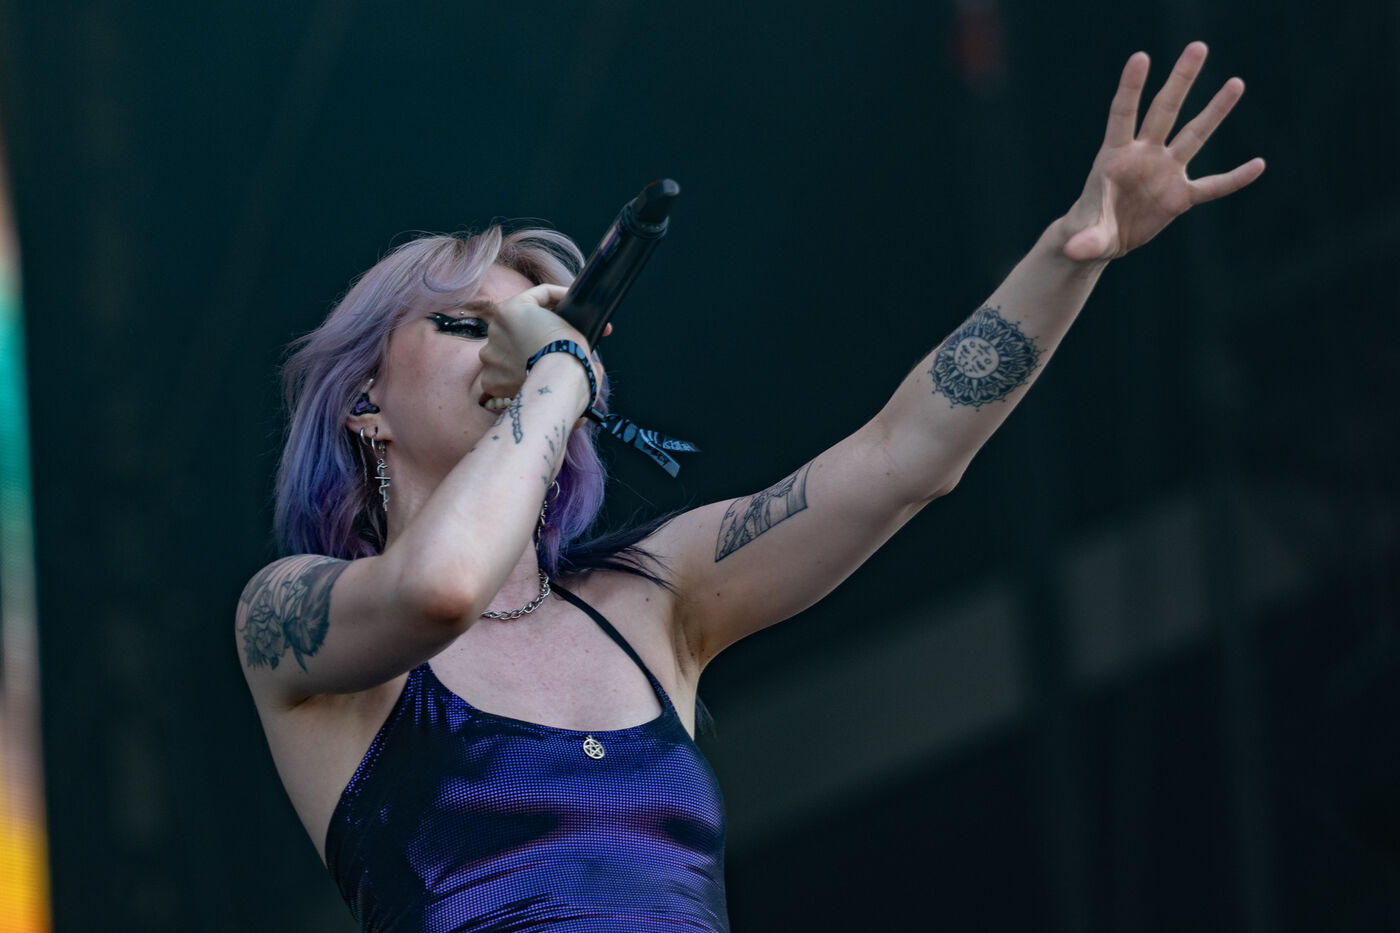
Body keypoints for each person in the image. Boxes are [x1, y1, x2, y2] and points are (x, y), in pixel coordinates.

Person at [236, 42, 1263, 933]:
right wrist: (556, 374)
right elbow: (438, 591)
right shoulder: (289, 617)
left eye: (530, 325)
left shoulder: (649, 600)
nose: (507, 348)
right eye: (467, 325)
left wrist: (1069, 254)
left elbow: (904, 457)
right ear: (364, 402)